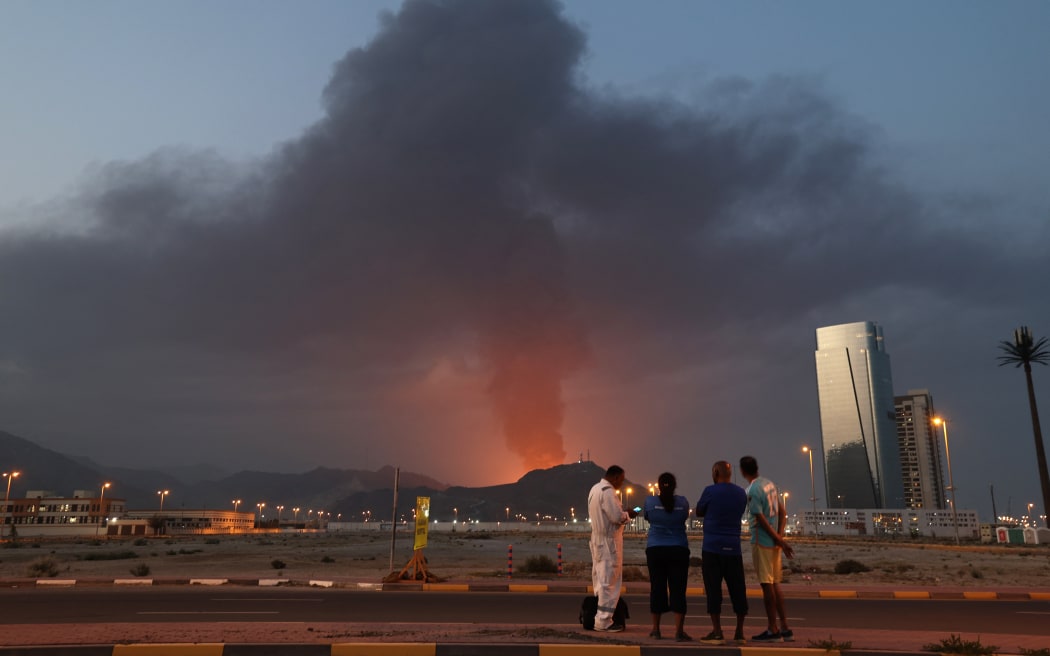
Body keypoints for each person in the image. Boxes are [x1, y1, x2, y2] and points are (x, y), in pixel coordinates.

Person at [739, 455, 795, 642]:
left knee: (767, 586)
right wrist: (780, 539)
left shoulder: (752, 490)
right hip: (774, 544)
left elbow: (761, 520)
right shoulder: (769, 484)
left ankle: (773, 629)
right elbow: (783, 513)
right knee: (775, 584)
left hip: (762, 542)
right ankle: (785, 627)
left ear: (742, 471)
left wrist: (778, 539)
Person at [695, 460, 748, 645]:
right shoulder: (741, 493)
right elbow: (740, 511)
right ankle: (739, 632)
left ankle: (717, 632)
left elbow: (699, 511)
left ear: (715, 473)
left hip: (712, 548)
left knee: (713, 590)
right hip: (733, 548)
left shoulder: (710, 491)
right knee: (738, 589)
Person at [587, 464, 637, 632]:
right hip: (609, 543)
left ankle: (599, 617)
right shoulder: (608, 492)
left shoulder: (594, 489)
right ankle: (604, 621)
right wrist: (629, 514)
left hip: (597, 540)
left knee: (600, 581)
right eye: (621, 480)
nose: (621, 484)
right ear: (615, 478)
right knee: (610, 582)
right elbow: (616, 517)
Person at [643, 472, 691, 641]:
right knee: (678, 589)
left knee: (657, 588)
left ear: (658, 486)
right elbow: (684, 517)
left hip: (655, 549)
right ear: (674, 485)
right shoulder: (683, 502)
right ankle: (678, 632)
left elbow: (647, 517)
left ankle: (656, 630)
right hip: (678, 549)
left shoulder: (650, 502)